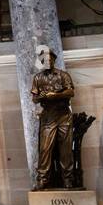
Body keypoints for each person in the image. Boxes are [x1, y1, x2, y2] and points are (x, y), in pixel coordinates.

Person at [30, 45, 75, 190]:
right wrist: (41, 97)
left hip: (63, 115)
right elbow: (34, 98)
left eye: (50, 59)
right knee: (44, 149)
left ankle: (68, 179)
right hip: (48, 116)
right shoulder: (38, 78)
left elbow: (70, 92)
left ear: (54, 60)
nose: (47, 61)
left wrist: (55, 95)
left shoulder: (63, 75)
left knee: (66, 149)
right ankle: (42, 179)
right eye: (44, 60)